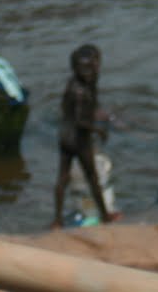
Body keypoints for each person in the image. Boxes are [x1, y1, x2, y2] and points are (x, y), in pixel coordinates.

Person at [53, 45, 122, 229]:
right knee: (93, 178)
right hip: (78, 139)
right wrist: (98, 130)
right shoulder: (81, 91)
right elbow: (80, 121)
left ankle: (57, 219)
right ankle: (105, 215)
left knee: (63, 178)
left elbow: (68, 112)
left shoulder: (74, 83)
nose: (91, 71)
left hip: (64, 136)